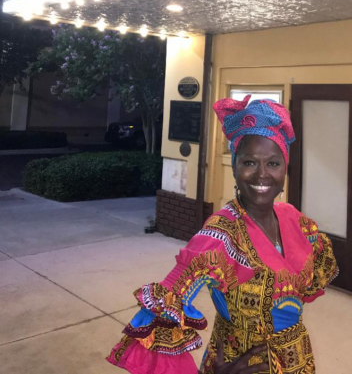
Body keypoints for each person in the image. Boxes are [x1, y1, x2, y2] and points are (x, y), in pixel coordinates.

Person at [107, 96, 338, 374]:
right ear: (235, 167)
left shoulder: (294, 220)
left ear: (285, 169)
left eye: (273, 164)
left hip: (299, 361)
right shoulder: (221, 234)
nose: (262, 175)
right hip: (239, 362)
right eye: (250, 162)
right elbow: (163, 310)